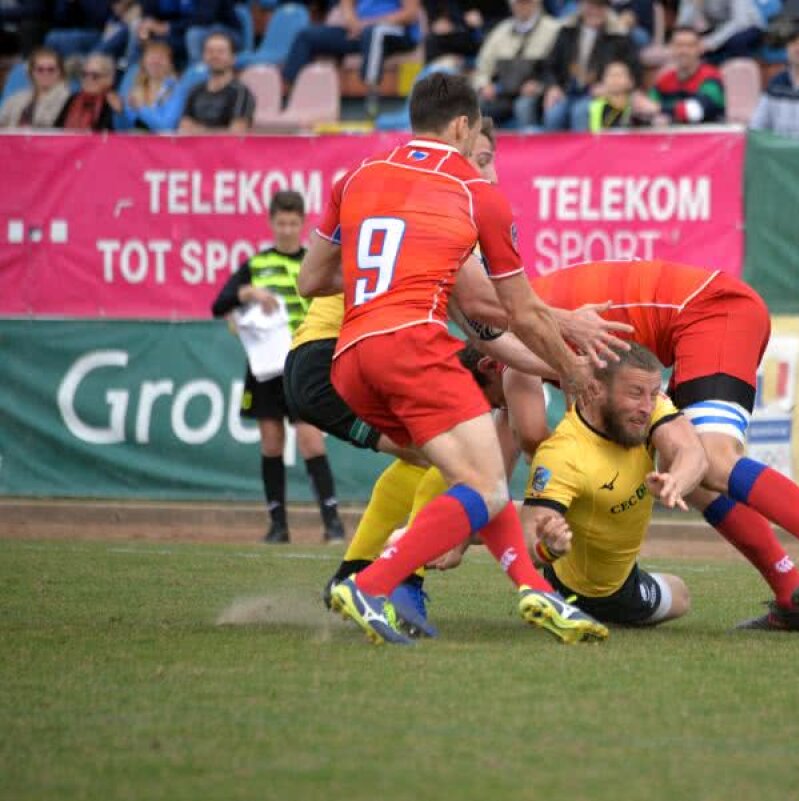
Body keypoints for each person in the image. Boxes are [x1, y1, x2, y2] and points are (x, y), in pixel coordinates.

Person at [297, 73, 605, 647]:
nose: (479, 157)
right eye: (478, 144)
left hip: (350, 358)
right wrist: (572, 368)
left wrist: (387, 265)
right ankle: (374, 582)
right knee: (485, 485)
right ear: (463, 126)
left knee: (478, 477)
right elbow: (521, 311)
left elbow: (309, 280)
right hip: (412, 344)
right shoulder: (475, 191)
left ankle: (532, 589)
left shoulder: (357, 175)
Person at [457, 259, 799, 629]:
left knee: (714, 462)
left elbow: (529, 434)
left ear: (492, 365)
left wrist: (562, 485)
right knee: (695, 477)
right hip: (705, 314)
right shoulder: (525, 328)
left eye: (494, 405)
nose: (501, 413)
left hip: (715, 311)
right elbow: (501, 456)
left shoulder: (519, 342)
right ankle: (791, 594)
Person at [522, 344, 706, 628]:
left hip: (622, 570)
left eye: (653, 392)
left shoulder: (647, 409)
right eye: (635, 393)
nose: (647, 407)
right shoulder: (563, 453)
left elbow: (693, 452)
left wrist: (676, 480)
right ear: (596, 390)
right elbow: (526, 548)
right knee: (680, 594)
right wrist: (549, 550)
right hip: (597, 591)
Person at [210, 191, 347, 545]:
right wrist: (249, 294)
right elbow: (218, 304)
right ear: (271, 223)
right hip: (265, 368)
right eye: (281, 222)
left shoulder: (313, 264)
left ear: (302, 224)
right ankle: (277, 526)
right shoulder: (256, 265)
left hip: (303, 364)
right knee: (271, 444)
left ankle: (332, 524)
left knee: (311, 440)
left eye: (293, 223)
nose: (286, 229)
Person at [280, 0, 420, 103]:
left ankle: (371, 96)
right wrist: (353, 23)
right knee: (306, 36)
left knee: (374, 32)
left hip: (397, 32)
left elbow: (410, 13)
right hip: (360, 31)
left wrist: (369, 24)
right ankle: (291, 95)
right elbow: (346, 5)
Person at [540, 0, 638, 131]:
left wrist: (610, 86)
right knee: (553, 114)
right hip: (567, 90)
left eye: (600, 6)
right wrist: (552, 87)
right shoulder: (566, 31)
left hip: (601, 94)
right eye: (591, 5)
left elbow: (632, 70)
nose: (595, 11)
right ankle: (553, 151)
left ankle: (583, 151)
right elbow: (549, 65)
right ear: (580, 6)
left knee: (580, 112)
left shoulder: (618, 35)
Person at [472, 0, 562, 128]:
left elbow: (558, 68)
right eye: (518, 3)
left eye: (527, 2)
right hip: (504, 92)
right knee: (476, 107)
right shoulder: (500, 31)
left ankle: (530, 145)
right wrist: (484, 85)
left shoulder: (554, 29)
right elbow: (483, 66)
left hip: (537, 93)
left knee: (524, 105)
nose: (522, 6)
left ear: (537, 3)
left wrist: (540, 85)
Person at [645, 26, 726, 124]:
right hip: (672, 137)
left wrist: (658, 109)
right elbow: (648, 106)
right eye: (679, 45)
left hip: (708, 137)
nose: (684, 51)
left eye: (690, 46)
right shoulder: (664, 79)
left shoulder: (711, 77)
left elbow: (696, 111)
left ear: (700, 48)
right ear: (671, 48)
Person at [178, 31, 254, 133]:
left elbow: (237, 134)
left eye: (221, 52)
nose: (215, 56)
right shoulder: (195, 91)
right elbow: (184, 128)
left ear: (232, 58)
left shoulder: (241, 93)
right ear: (203, 56)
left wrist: (199, 130)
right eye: (210, 51)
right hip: (194, 148)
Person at [136, 0, 241, 68]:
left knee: (193, 35)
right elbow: (150, 10)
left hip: (224, 29)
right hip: (185, 29)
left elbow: (204, 17)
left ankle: (198, 75)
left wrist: (167, 27)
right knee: (138, 27)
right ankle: (135, 78)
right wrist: (148, 24)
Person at [114, 39, 186, 131]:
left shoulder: (177, 90)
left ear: (170, 64)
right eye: (151, 57)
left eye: (161, 57)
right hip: (136, 142)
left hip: (164, 144)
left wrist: (141, 109)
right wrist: (120, 112)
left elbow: (167, 127)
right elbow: (123, 129)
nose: (155, 61)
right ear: (143, 62)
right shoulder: (135, 89)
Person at [0, 46, 70, 128]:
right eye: (40, 69)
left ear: (60, 72)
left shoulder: (68, 100)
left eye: (51, 69)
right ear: (31, 73)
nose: (45, 74)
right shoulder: (17, 98)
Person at [676, 0, 766, 63]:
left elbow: (740, 22)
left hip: (749, 27)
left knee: (735, 43)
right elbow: (684, 26)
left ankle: (737, 78)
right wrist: (694, 5)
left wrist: (710, 43)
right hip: (720, 28)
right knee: (692, 44)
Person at [53, 51, 118, 130]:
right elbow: (56, 130)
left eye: (95, 76)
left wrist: (119, 113)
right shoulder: (73, 99)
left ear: (109, 79)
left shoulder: (112, 103)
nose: (88, 79)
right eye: (84, 75)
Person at [589, 59, 654, 129]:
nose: (615, 78)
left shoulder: (639, 106)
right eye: (610, 75)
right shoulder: (592, 107)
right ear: (602, 81)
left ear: (631, 81)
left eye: (620, 74)